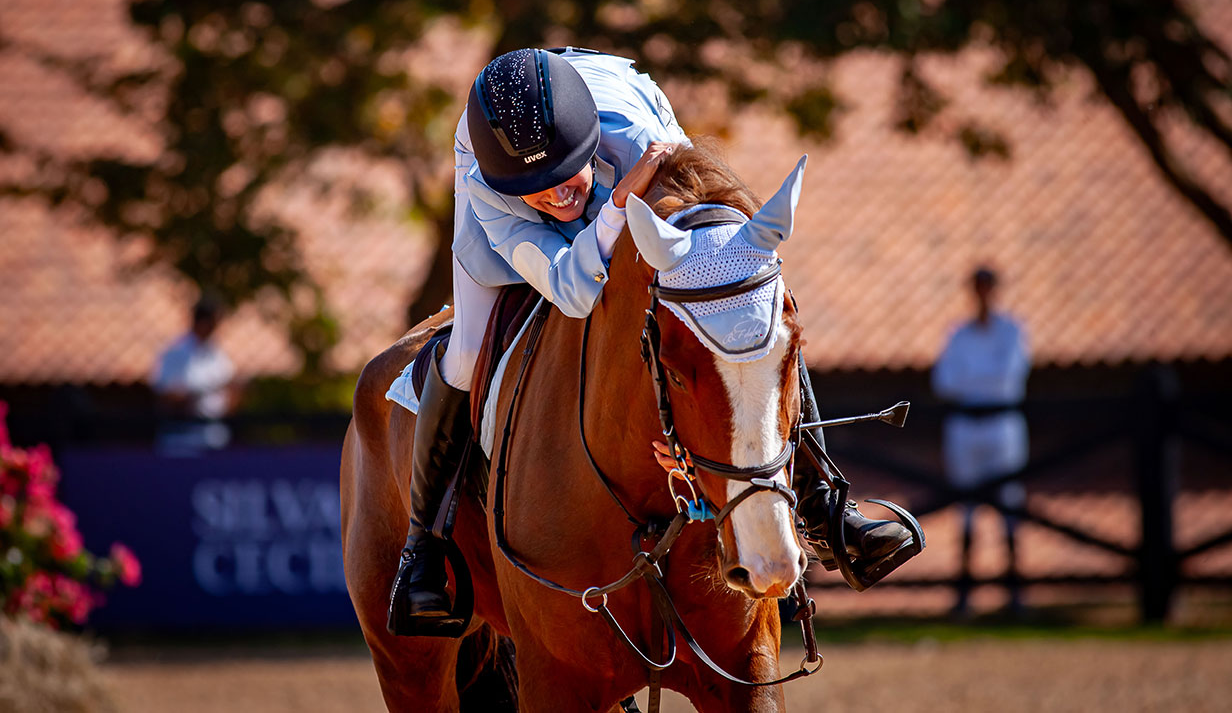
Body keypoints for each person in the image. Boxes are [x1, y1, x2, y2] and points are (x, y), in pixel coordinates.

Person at [388, 47, 917, 634]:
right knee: (465, 353)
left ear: (592, 148)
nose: (558, 198)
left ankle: (826, 509)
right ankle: (423, 544)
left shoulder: (645, 145)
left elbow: (721, 279)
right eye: (539, 190)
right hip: (548, 194)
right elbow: (571, 289)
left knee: (744, 299)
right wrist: (616, 203)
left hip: (620, 118)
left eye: (568, 175)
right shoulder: (491, 186)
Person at [931, 266, 1030, 614]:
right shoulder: (959, 335)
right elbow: (944, 382)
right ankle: (964, 593)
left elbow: (1008, 378)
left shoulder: (1012, 332)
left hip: (1002, 428)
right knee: (965, 508)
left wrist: (972, 381)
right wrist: (983, 382)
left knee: (1010, 505)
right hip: (965, 430)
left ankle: (1015, 592)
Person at [152, 297, 239, 456]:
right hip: (181, 439)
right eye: (213, 323)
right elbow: (165, 395)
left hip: (213, 437)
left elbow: (230, 390)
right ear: (201, 322)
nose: (215, 329)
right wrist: (192, 395)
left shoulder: (218, 354)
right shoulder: (175, 352)